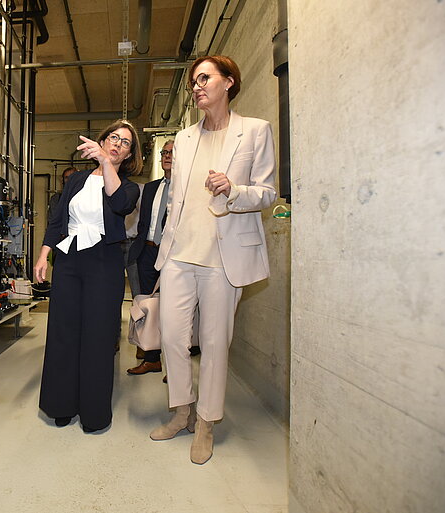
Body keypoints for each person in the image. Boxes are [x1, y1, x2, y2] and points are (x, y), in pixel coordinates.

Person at [149, 55, 277, 464]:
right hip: (179, 254)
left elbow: (269, 192)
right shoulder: (184, 139)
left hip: (225, 257)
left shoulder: (255, 130)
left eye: (204, 78)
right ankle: (181, 410)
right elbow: (177, 198)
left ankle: (206, 421)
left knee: (215, 342)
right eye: (193, 81)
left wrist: (235, 190)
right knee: (171, 336)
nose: (196, 86)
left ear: (228, 82)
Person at [35, 119, 142, 433]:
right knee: (63, 331)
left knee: (97, 335)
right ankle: (61, 404)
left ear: (129, 154)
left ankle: (94, 412)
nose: (116, 143)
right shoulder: (77, 179)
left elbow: (119, 203)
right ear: (103, 139)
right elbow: (58, 219)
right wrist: (44, 254)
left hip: (103, 261)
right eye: (113, 137)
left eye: (124, 142)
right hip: (68, 258)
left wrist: (106, 163)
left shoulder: (128, 187)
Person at [126, 140, 174, 375]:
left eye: (172, 153)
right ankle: (152, 358)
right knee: (149, 307)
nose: (167, 156)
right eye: (164, 152)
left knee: (174, 310)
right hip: (147, 252)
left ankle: (175, 367)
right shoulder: (151, 188)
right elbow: (145, 222)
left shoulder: (186, 187)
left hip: (173, 255)